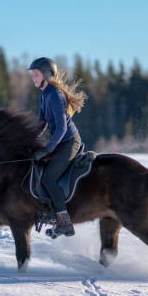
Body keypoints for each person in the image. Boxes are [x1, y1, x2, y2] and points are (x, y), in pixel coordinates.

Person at [28, 57, 87, 237]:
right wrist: (28, 141)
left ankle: (64, 222)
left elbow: (61, 127)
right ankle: (51, 214)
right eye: (33, 75)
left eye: (36, 74)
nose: (33, 78)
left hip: (69, 142)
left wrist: (48, 149)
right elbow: (41, 123)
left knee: (48, 178)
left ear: (46, 75)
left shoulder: (55, 95)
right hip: (59, 142)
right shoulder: (44, 95)